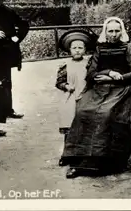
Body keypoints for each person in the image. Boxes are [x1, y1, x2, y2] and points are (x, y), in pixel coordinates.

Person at [61, 17, 131, 178]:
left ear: (122, 31)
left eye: (117, 31)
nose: (114, 34)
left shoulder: (130, 48)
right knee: (84, 111)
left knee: (106, 114)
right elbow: (91, 74)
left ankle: (102, 162)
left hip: (124, 89)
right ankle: (78, 159)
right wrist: (107, 73)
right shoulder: (100, 49)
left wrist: (116, 77)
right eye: (110, 31)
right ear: (105, 32)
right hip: (99, 89)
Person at [55, 29, 98, 166]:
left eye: (80, 48)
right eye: (74, 48)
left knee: (85, 125)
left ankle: (82, 154)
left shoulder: (89, 64)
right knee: (70, 125)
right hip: (70, 97)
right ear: (69, 50)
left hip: (85, 95)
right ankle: (67, 155)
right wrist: (66, 86)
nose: (77, 50)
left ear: (85, 49)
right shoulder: (65, 65)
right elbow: (59, 82)